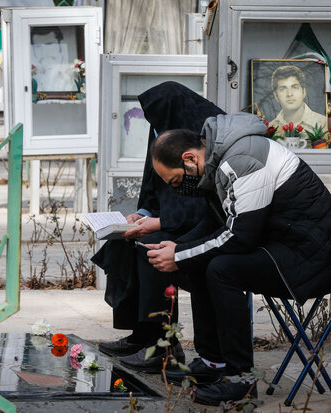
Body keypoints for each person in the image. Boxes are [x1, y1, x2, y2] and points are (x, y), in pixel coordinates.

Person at [146, 113, 331, 405]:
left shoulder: (241, 161)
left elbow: (239, 237)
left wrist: (180, 254)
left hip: (315, 257)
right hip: (286, 245)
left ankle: (241, 381)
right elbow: (221, 226)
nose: (178, 188)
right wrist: (180, 248)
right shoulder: (223, 158)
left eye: (176, 181)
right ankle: (213, 363)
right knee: (199, 264)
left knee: (222, 269)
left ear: (189, 158)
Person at [92, 81, 223, 372]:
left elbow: (207, 208)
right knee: (124, 241)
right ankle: (142, 335)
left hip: (199, 226)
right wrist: (140, 214)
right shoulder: (162, 134)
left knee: (152, 248)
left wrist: (159, 223)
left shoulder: (199, 142)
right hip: (170, 221)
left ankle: (165, 346)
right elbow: (152, 188)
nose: (153, 124)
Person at [267, 65, 328, 134]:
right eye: (283, 89)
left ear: (304, 92)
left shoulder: (323, 123)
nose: (289, 94)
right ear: (276, 96)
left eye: (295, 87)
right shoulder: (270, 128)